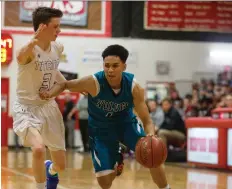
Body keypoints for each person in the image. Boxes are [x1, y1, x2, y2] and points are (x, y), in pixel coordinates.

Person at [40, 44, 171, 189]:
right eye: (107, 65)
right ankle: (117, 158)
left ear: (124, 66)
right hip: (101, 130)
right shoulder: (93, 82)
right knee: (105, 182)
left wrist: (151, 135)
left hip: (127, 125)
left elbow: (147, 120)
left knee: (153, 157)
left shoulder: (134, 88)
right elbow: (65, 85)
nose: (110, 70)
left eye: (115, 65)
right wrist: (48, 94)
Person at [13, 7, 66, 189]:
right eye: (56, 27)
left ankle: (50, 169)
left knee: (61, 165)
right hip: (26, 108)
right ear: (42, 27)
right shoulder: (28, 50)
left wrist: (53, 92)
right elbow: (20, 57)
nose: (59, 31)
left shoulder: (57, 48)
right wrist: (33, 40)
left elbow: (57, 78)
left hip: (48, 107)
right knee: (38, 149)